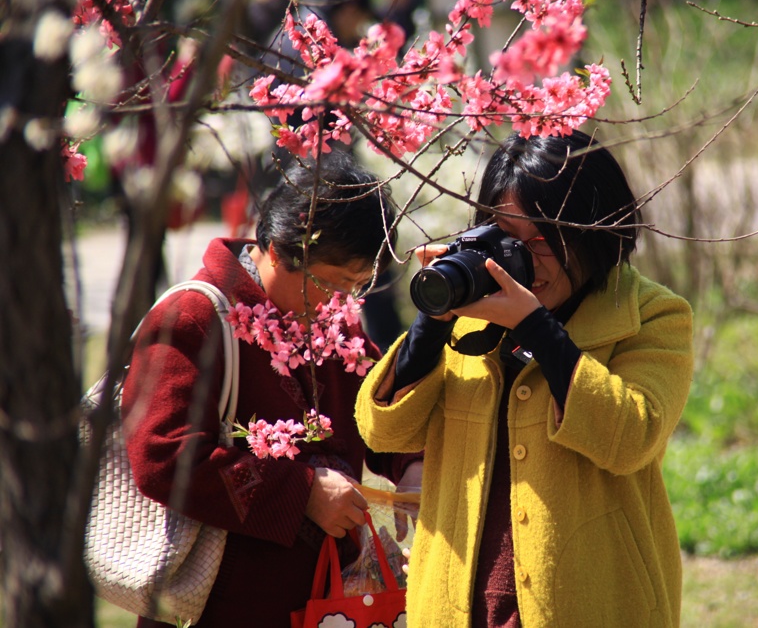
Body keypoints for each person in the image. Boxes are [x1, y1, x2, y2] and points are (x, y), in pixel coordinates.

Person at [355, 130, 694, 627]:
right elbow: (383, 431)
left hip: (591, 601)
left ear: (594, 229)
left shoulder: (653, 316)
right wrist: (429, 328)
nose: (527, 260)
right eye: (510, 238)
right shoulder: (472, 310)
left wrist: (535, 326)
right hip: (459, 601)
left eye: (545, 240)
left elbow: (631, 438)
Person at [122, 150, 423, 627]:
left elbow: (377, 404)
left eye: (357, 286)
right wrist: (302, 493)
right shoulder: (194, 319)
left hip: (328, 598)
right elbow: (162, 457)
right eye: (330, 283)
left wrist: (410, 465)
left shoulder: (333, 323)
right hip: (221, 604)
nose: (341, 301)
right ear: (279, 251)